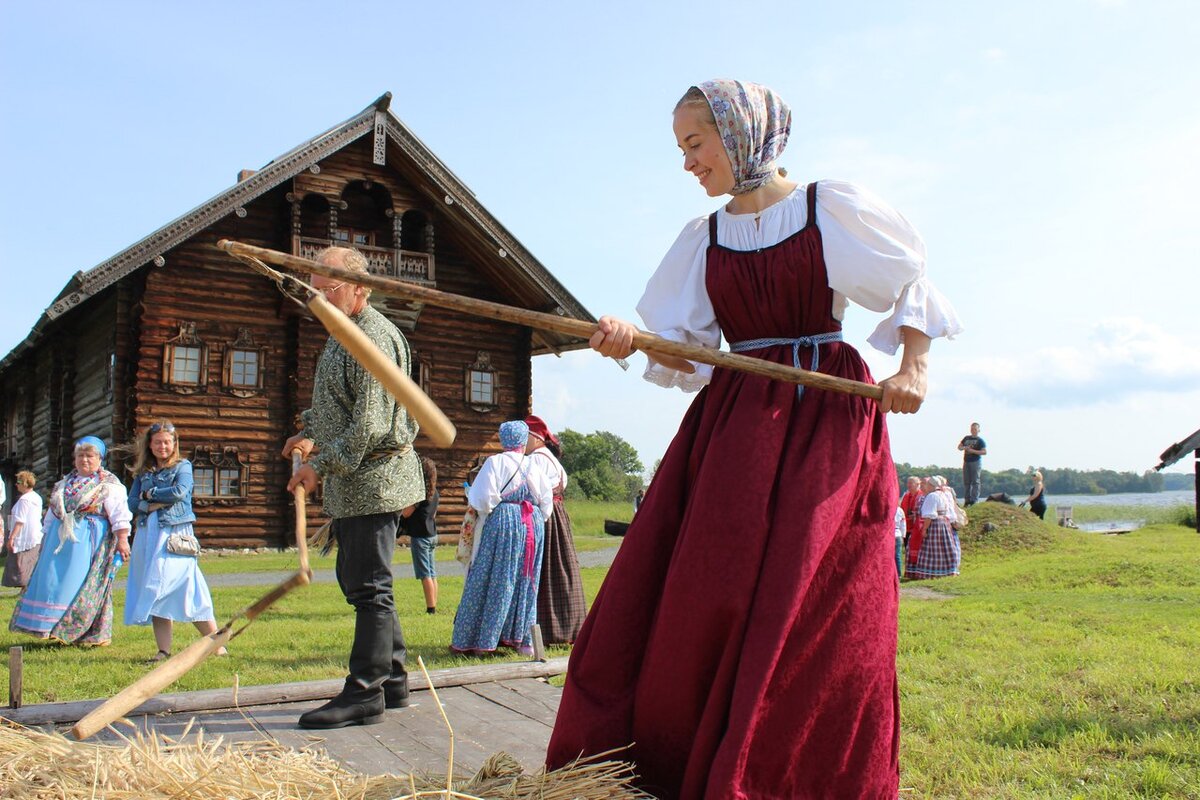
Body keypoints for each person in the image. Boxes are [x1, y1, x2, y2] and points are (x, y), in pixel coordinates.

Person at [546, 79, 962, 798]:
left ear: (741, 136)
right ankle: (681, 759)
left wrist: (914, 365)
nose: (688, 164)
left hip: (828, 421)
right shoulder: (702, 239)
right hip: (737, 428)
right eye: (683, 148)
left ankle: (796, 772)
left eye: (696, 144)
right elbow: (683, 353)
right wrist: (630, 340)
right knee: (708, 588)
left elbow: (910, 281)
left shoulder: (828, 208)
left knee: (820, 604)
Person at [282, 245, 425, 730]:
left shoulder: (374, 338)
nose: (317, 298)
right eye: (313, 291)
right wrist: (309, 431)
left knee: (368, 586)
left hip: (376, 478)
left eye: (328, 288)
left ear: (361, 288)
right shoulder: (342, 330)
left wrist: (318, 466)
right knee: (367, 583)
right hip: (359, 479)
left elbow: (369, 424)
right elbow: (337, 406)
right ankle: (394, 681)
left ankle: (365, 693)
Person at [10, 437, 131, 644]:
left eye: (90, 456)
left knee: (81, 584)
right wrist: (44, 540)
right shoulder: (63, 484)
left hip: (89, 543)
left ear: (100, 459)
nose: (85, 460)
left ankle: (81, 632)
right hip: (58, 543)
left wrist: (122, 539)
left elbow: (119, 514)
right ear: (74, 458)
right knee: (53, 583)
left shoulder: (108, 485)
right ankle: (51, 627)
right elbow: (51, 516)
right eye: (80, 455)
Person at [124, 420, 224, 661]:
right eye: (158, 442)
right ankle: (163, 651)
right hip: (149, 534)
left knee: (184, 586)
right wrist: (151, 503)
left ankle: (218, 644)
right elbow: (131, 503)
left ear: (174, 444)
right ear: (150, 444)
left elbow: (180, 492)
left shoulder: (183, 466)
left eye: (167, 442)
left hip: (175, 534)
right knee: (154, 590)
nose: (163, 447)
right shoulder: (144, 472)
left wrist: (149, 495)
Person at [451, 421, 553, 657]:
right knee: (526, 580)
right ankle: (522, 640)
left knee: (491, 575)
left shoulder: (495, 462)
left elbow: (482, 499)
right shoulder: (533, 465)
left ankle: (482, 640)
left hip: (504, 521)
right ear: (523, 439)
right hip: (532, 524)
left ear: (502, 439)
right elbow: (546, 503)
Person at [525, 414, 587, 645]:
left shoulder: (537, 460)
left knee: (546, 570)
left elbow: (534, 492)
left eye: (526, 437)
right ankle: (568, 625)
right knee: (561, 569)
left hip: (546, 516)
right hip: (557, 516)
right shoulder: (549, 458)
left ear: (537, 438)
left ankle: (550, 630)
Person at [399, 456, 439, 614]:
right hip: (432, 534)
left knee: (425, 574)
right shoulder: (435, 492)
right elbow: (434, 514)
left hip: (420, 536)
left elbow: (406, 513)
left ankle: (431, 608)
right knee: (432, 572)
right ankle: (434, 603)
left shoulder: (419, 493)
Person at [907, 475, 962, 580]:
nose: (925, 486)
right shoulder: (943, 494)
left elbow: (929, 515)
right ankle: (948, 570)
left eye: (927, 484)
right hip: (944, 523)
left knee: (931, 548)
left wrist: (924, 529)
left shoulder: (932, 496)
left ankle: (932, 572)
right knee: (945, 547)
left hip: (935, 523)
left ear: (931, 485)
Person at [2, 471, 44, 589]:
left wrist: (11, 538)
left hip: (25, 536)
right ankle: (27, 589)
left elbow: (20, 521)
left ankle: (25, 588)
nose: (16, 484)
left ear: (25, 483)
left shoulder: (25, 500)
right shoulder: (36, 497)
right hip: (35, 535)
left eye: (18, 482)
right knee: (30, 563)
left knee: (22, 565)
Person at [899, 475, 925, 577]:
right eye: (908, 483)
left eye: (911, 483)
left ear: (918, 484)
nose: (908, 485)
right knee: (907, 549)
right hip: (907, 527)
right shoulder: (906, 496)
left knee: (917, 549)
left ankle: (918, 570)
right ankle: (910, 571)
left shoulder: (922, 496)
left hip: (917, 527)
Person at [958, 422, 987, 506]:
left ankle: (974, 500)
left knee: (975, 481)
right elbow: (959, 447)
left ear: (978, 430)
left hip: (975, 462)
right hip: (966, 461)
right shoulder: (966, 438)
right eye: (972, 429)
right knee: (967, 481)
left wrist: (973, 451)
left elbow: (984, 452)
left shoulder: (980, 440)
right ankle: (967, 500)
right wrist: (965, 447)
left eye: (975, 429)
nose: (973, 430)